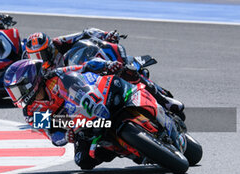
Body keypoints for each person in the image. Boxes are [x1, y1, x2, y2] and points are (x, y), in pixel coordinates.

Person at [24, 29, 184, 117]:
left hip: (83, 68)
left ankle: (163, 99)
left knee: (125, 69)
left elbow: (85, 33)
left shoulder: (58, 43)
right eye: (33, 56)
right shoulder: (36, 72)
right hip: (76, 91)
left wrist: (105, 35)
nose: (39, 60)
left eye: (41, 55)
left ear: (50, 49)